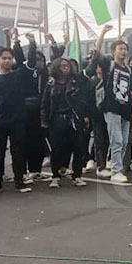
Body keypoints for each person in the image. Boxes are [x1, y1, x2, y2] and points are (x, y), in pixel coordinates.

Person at [0, 45, 31, 194]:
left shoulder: (18, 75)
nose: (7, 61)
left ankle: (19, 181)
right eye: (4, 58)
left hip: (18, 121)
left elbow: (25, 62)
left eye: (10, 58)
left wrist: (18, 42)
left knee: (18, 152)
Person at [88, 24, 132, 184]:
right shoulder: (109, 64)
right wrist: (103, 32)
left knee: (124, 142)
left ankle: (115, 165)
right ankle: (116, 171)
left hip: (125, 109)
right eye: (120, 49)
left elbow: (130, 91)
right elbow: (96, 51)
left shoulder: (128, 69)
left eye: (125, 49)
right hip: (112, 108)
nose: (123, 51)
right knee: (116, 140)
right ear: (114, 51)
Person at [40, 58, 88, 188]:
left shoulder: (76, 81)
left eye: (67, 65)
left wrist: (84, 115)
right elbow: (45, 103)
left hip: (73, 118)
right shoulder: (51, 83)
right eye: (62, 66)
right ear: (56, 67)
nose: (65, 67)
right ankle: (55, 176)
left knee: (78, 148)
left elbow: (83, 99)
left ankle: (77, 176)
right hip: (56, 120)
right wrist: (44, 121)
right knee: (56, 150)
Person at [12, 31, 48, 184]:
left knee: (39, 142)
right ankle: (25, 170)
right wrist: (29, 44)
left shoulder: (45, 74)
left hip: (40, 112)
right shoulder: (24, 72)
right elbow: (23, 59)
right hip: (25, 111)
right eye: (35, 59)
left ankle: (36, 170)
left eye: (41, 60)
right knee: (24, 142)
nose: (38, 62)